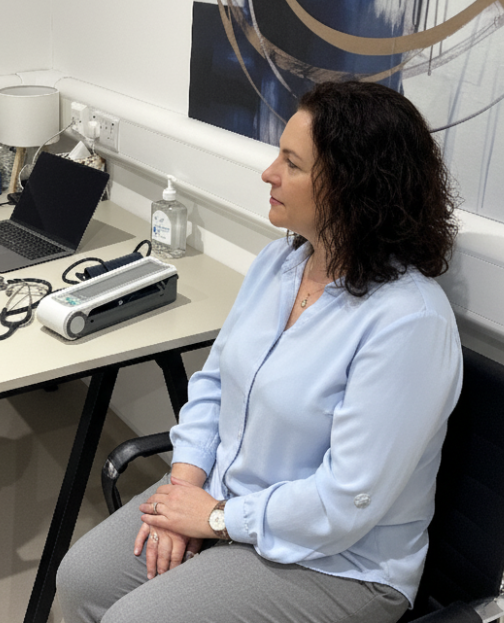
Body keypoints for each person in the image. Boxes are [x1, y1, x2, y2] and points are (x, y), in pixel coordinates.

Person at [56, 81, 462, 623]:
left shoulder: (410, 322)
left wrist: (218, 520)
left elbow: (343, 504)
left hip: (339, 561)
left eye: (291, 164)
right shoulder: (281, 263)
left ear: (352, 187)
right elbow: (213, 384)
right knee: (80, 579)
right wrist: (183, 488)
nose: (269, 173)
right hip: (225, 499)